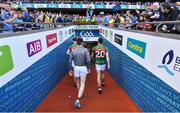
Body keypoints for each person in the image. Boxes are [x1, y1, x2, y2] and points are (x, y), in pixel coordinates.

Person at [69, 37, 91, 109]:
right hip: (83, 68)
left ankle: (80, 93)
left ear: (76, 43)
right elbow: (88, 60)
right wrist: (89, 68)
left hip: (76, 67)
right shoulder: (85, 50)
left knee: (78, 81)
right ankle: (78, 100)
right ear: (82, 43)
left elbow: (69, 61)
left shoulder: (73, 51)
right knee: (83, 83)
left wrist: (70, 70)